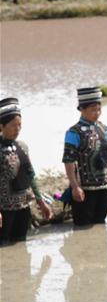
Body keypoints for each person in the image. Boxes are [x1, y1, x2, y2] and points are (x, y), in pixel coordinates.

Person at [62, 87, 107, 227]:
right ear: (82, 109)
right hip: (84, 189)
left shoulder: (103, 129)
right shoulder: (73, 132)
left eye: (99, 109)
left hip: (104, 186)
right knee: (83, 226)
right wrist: (75, 187)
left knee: (100, 224)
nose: (97, 113)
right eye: (93, 110)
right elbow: (69, 162)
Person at [0, 98, 52, 245]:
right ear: (1, 126)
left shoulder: (22, 146)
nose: (17, 129)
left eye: (20, 125)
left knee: (21, 246)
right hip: (4, 211)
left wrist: (41, 202)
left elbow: (31, 175)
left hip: (23, 208)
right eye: (13, 125)